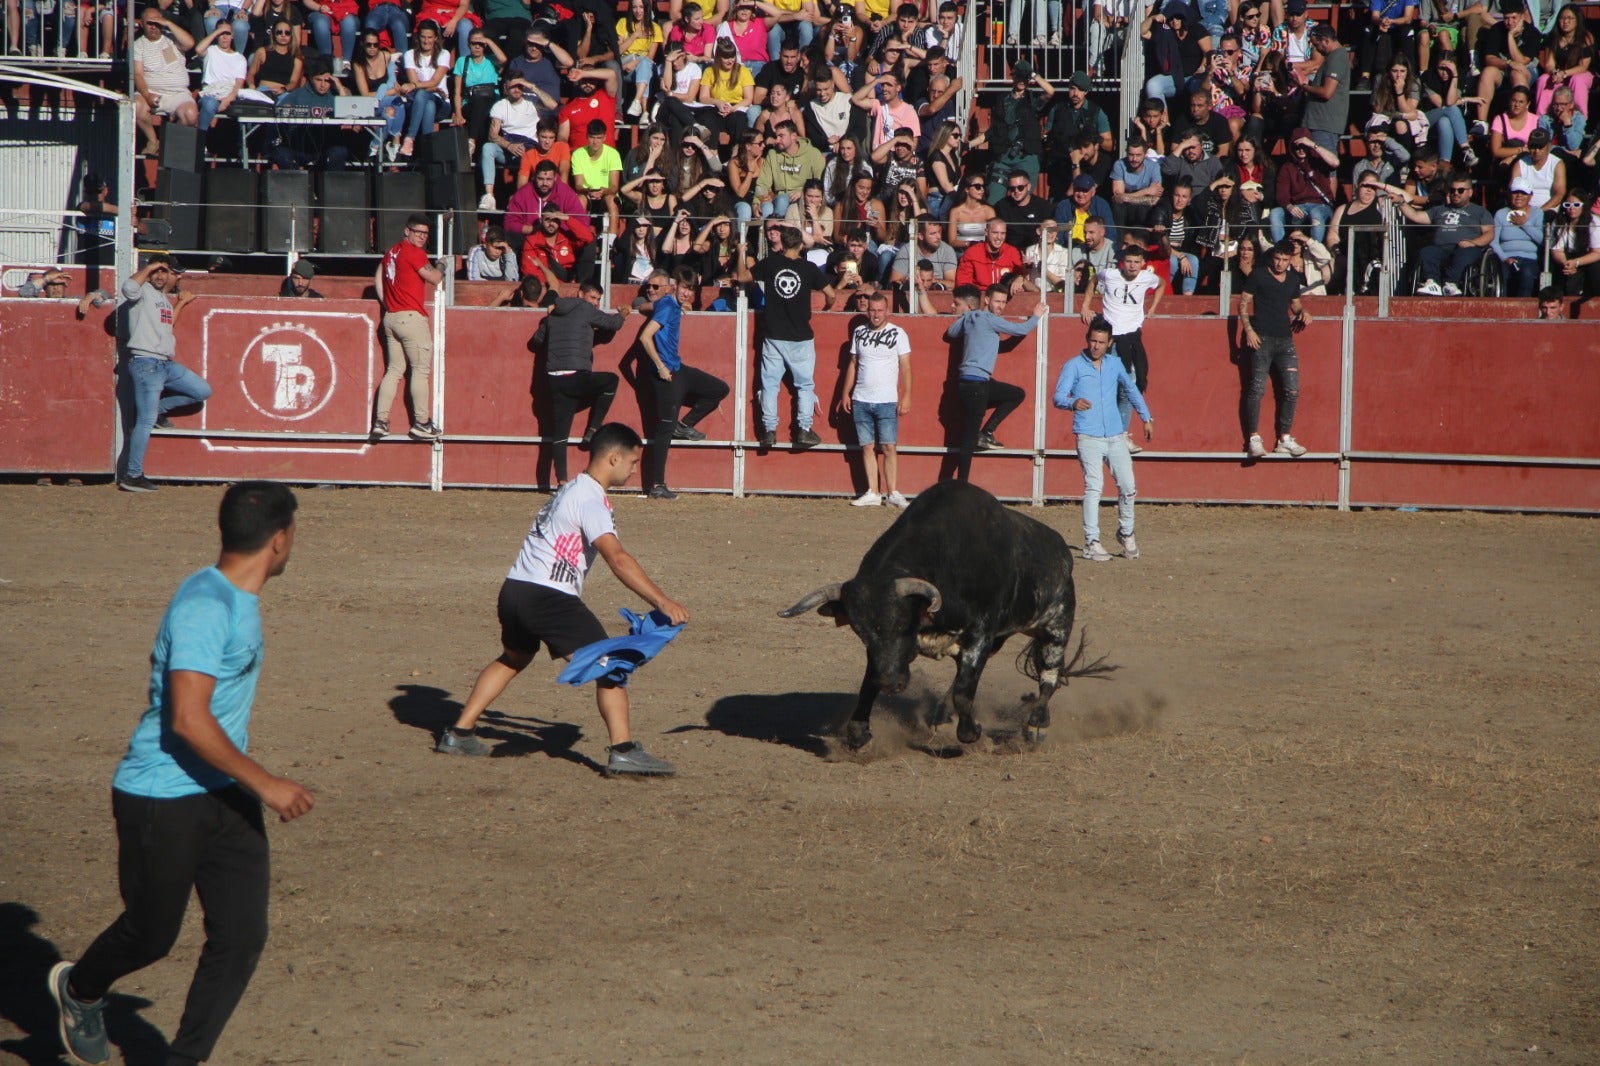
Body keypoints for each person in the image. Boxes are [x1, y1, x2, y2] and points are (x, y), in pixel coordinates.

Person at [49, 481, 312, 1066]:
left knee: (241, 937)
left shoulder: (234, 597)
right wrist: (266, 783)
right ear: (280, 538)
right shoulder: (204, 607)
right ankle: (80, 988)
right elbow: (189, 721)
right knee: (150, 934)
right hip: (161, 796)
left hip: (224, 794)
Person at [435, 424, 690, 775]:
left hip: (515, 590)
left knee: (515, 657)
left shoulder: (568, 490)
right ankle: (624, 751)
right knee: (612, 666)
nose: (634, 470)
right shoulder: (589, 498)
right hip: (548, 597)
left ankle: (459, 732)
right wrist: (662, 601)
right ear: (614, 458)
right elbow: (617, 558)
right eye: (632, 462)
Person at [1053, 317, 1154, 562]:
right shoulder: (1074, 365)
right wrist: (1072, 402)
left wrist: (1146, 417)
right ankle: (1091, 542)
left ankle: (1126, 533)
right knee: (1093, 487)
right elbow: (1058, 397)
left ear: (1109, 343)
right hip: (1088, 435)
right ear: (1087, 340)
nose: (1096, 346)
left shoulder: (1115, 364)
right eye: (1092, 341)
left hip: (1115, 434)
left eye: (1101, 342)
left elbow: (1131, 390)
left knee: (1128, 486)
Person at [118, 257, 212, 493]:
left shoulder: (161, 299)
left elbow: (167, 324)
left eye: (165, 272)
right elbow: (127, 288)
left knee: (201, 390)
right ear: (149, 273)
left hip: (164, 364)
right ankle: (132, 474)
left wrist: (181, 304)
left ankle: (160, 409)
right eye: (157, 272)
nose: (161, 276)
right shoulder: (142, 292)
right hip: (146, 363)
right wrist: (149, 267)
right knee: (145, 421)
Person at [637, 269, 730, 498]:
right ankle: (657, 485)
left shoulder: (668, 303)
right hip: (665, 373)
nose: (687, 293)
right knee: (664, 429)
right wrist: (659, 366)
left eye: (691, 290)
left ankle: (684, 425)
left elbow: (644, 306)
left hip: (677, 369)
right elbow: (645, 336)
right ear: (675, 285)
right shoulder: (668, 305)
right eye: (684, 288)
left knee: (719, 389)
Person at [749, 225, 839, 449]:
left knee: (770, 385)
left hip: (773, 335)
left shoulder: (770, 264)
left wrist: (742, 252)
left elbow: (743, 277)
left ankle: (769, 431)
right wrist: (827, 308)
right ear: (799, 245)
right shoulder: (808, 268)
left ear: (782, 243)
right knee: (804, 385)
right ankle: (804, 430)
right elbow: (831, 294)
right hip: (800, 336)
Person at [943, 283, 1043, 481]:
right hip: (977, 385)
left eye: (1004, 302)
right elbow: (1021, 329)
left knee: (1016, 394)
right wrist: (1037, 316)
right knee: (968, 439)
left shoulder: (971, 317)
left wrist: (965, 316)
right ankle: (961, 485)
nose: (1001, 306)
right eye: (997, 301)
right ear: (986, 300)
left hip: (969, 384)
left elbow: (951, 333)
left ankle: (986, 432)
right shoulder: (989, 319)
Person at [534, 280, 624, 485]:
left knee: (560, 434)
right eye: (593, 298)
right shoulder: (584, 309)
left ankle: (562, 482)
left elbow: (536, 342)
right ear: (580, 294)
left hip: (554, 379)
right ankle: (593, 429)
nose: (595, 303)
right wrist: (623, 314)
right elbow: (613, 324)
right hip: (576, 377)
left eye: (598, 300)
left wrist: (547, 321)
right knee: (611, 381)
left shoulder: (554, 313)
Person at [1079, 243, 1163, 449]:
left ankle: (1119, 433)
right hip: (1113, 338)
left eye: (1136, 262)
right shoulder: (1110, 274)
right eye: (1129, 262)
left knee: (1131, 383)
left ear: (1143, 263)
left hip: (1133, 338)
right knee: (1124, 384)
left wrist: (1152, 307)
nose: (1133, 266)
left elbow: (1161, 284)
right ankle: (1119, 433)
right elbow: (1093, 280)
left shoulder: (1147, 278)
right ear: (1122, 262)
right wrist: (1085, 306)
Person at [371, 214, 446, 442]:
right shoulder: (414, 252)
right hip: (411, 317)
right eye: (417, 232)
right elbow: (434, 278)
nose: (421, 237)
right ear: (408, 231)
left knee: (394, 370)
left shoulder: (391, 252)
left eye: (425, 234)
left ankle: (380, 421)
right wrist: (442, 264)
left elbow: (377, 277)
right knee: (420, 370)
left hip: (391, 316)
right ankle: (421, 423)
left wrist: (388, 304)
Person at [1236, 240, 1311, 459]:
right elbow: (1243, 304)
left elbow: (1295, 303)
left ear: (1290, 260)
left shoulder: (1293, 279)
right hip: (1261, 338)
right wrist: (1248, 330)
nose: (1279, 263)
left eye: (1284, 260)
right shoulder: (1258, 275)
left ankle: (1284, 438)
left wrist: (1303, 312)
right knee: (1256, 389)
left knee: (1292, 390)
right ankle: (1253, 438)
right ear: (1272, 257)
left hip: (1285, 340)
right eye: (1277, 258)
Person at [841, 290, 912, 508]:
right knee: (867, 446)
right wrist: (846, 392)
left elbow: (906, 368)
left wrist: (907, 395)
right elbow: (853, 364)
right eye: (872, 310)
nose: (876, 314)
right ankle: (873, 492)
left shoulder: (898, 333)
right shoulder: (859, 332)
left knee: (889, 446)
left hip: (887, 399)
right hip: (861, 398)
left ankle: (892, 492)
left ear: (887, 311)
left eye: (880, 310)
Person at [1399, 176, 1494, 294]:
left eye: (1460, 190)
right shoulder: (1439, 210)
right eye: (1453, 190)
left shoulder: (1480, 211)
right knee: (1426, 251)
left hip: (1465, 247)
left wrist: (1473, 242)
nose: (1456, 193)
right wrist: (1401, 202)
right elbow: (1415, 216)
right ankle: (1432, 282)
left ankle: (1450, 283)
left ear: (1470, 192)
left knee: (1468, 253)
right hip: (1440, 248)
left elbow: (1489, 233)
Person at [955, 219, 1025, 289]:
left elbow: (1021, 275)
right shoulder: (972, 253)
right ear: (986, 232)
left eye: (1003, 233)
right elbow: (963, 283)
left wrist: (1020, 278)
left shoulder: (1012, 252)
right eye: (995, 233)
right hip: (980, 295)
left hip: (1006, 296)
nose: (999, 237)